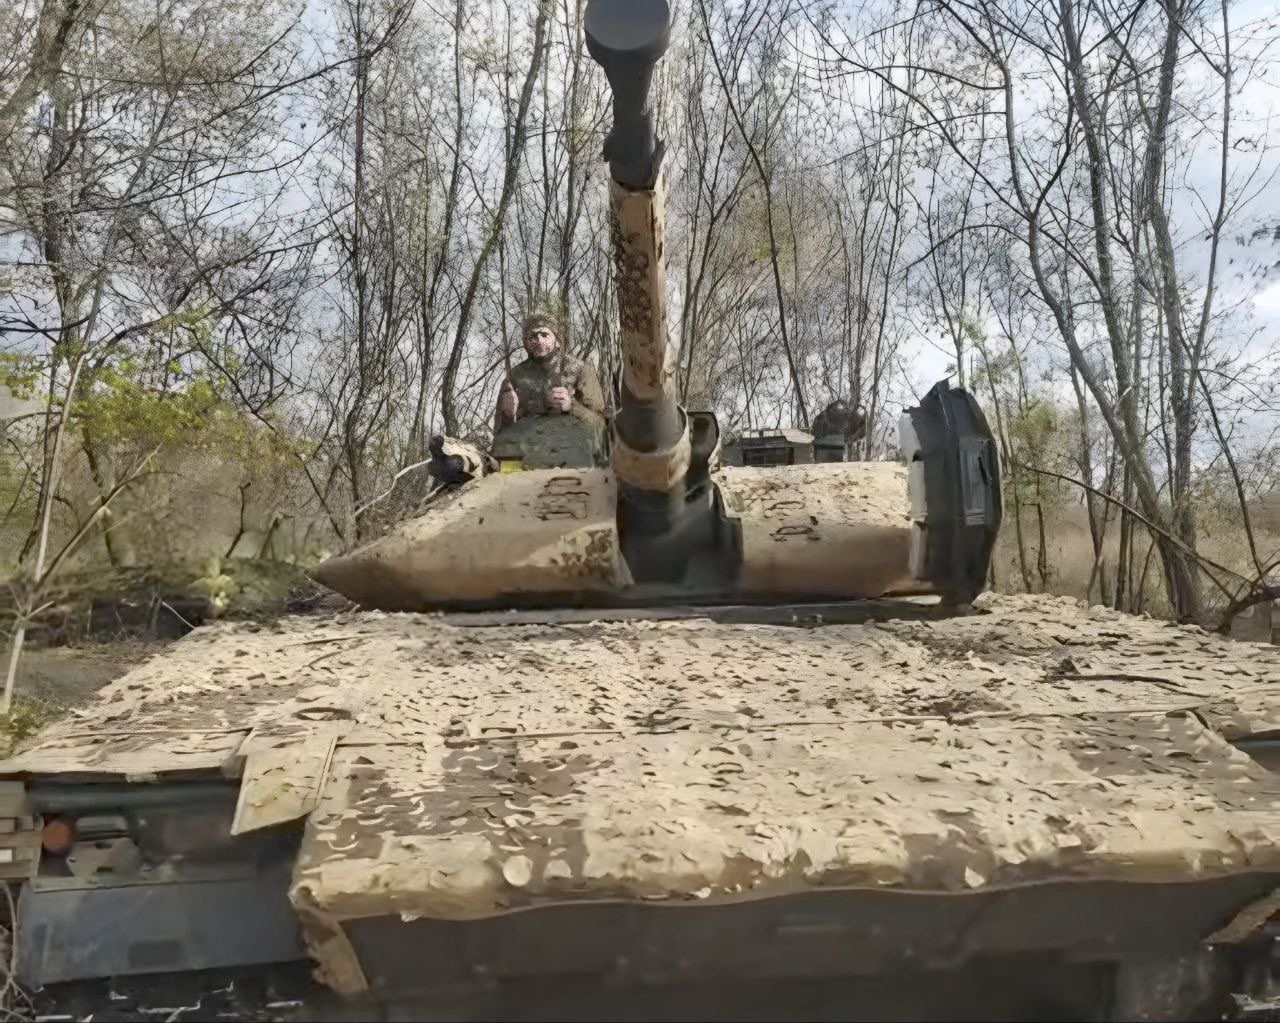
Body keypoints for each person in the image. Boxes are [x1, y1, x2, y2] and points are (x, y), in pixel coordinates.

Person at [494, 309, 607, 435]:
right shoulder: (514, 376)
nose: (539, 341)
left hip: (571, 448)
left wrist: (572, 406)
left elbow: (601, 423)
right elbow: (499, 433)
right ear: (525, 343)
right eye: (533, 336)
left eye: (544, 334)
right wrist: (507, 418)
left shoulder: (579, 369)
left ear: (557, 340)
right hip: (527, 448)